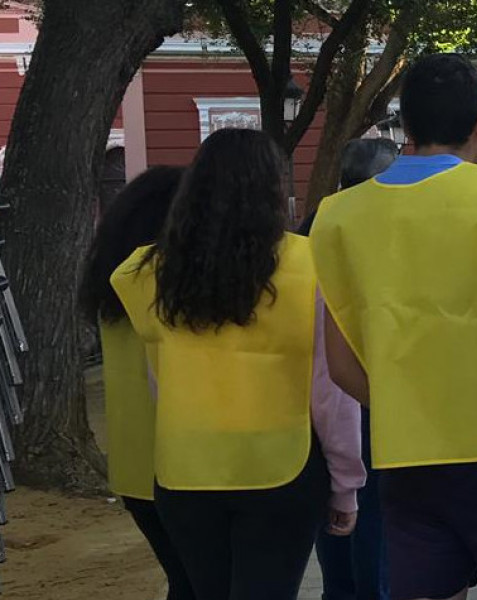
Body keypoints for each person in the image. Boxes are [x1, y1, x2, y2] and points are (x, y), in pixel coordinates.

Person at [311, 53, 477, 600]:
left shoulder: (338, 217)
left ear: (405, 126)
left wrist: (412, 405)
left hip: (408, 461)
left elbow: (341, 368)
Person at [111, 128, 364, 600]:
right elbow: (330, 390)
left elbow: (158, 377)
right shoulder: (313, 264)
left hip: (184, 469)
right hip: (281, 468)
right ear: (273, 190)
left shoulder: (147, 273)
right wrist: (347, 482)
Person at [79, 166, 195, 600]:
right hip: (181, 466)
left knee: (185, 582)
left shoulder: (113, 280)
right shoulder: (169, 279)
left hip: (133, 467)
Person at [308, 138, 399, 600]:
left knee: (346, 541)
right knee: (370, 542)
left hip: (335, 409)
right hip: (358, 403)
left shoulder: (316, 227)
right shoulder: (371, 235)